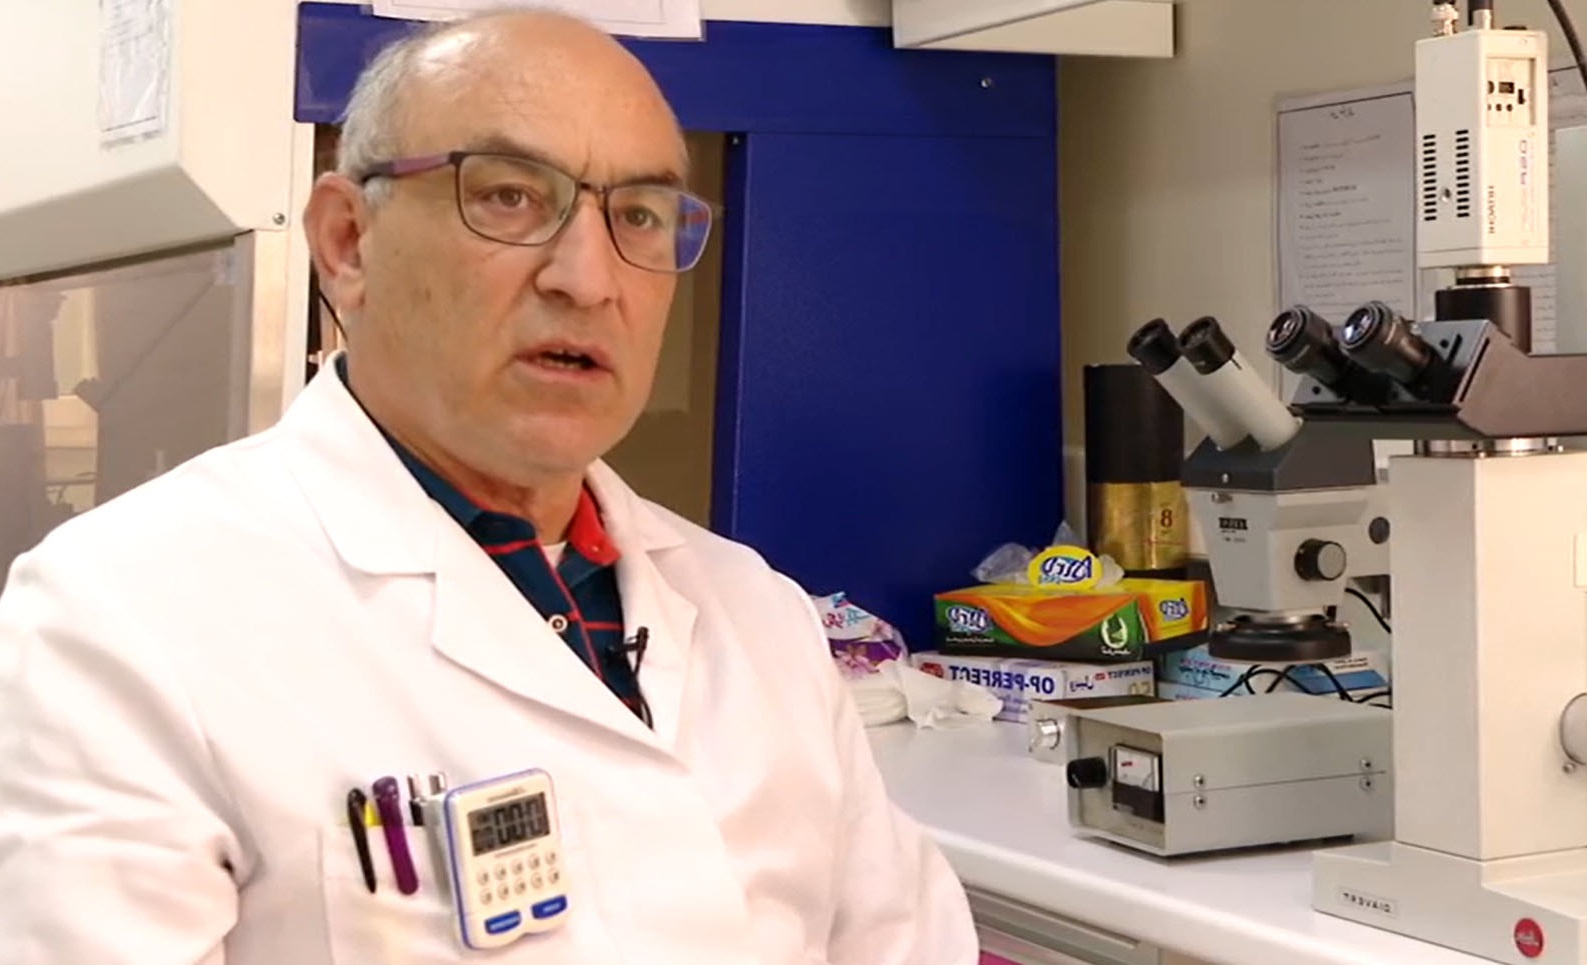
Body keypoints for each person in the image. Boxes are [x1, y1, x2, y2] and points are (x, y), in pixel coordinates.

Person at [0, 9, 978, 963]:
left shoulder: (761, 615)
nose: (588, 278)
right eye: (509, 196)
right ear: (348, 242)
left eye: (638, 215)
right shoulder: (120, 618)